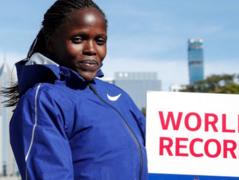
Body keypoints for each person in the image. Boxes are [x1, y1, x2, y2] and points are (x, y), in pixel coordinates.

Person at [7, 0, 147, 179]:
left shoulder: (120, 97)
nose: (91, 49)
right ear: (51, 43)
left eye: (100, 40)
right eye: (78, 39)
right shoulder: (44, 100)